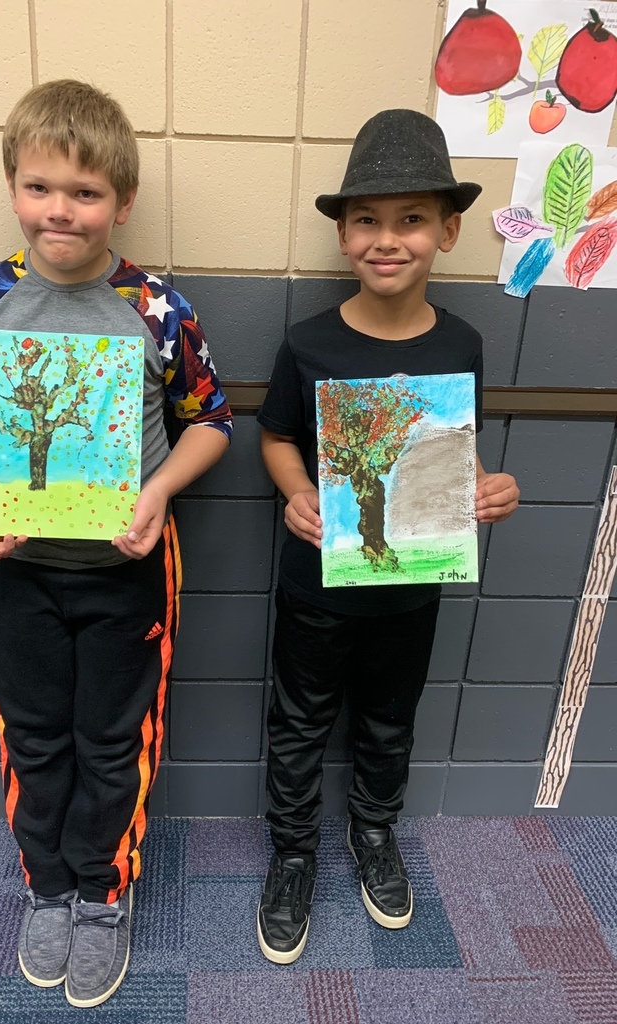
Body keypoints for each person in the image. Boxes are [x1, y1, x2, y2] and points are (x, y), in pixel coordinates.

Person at [0, 79, 232, 1006]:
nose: (61, 209)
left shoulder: (157, 309)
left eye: (86, 193)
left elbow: (210, 421)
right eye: (40, 186)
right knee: (35, 735)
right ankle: (47, 887)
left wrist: (160, 490)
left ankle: (102, 893)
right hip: (17, 569)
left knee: (113, 737)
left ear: (121, 202)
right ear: (13, 186)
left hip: (127, 570)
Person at [255, 109, 519, 964]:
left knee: (388, 719)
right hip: (315, 583)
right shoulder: (309, 343)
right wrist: (297, 494)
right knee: (299, 722)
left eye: (411, 219)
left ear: (448, 230)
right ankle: (292, 854)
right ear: (341, 235)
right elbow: (276, 436)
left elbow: (455, 457)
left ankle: (374, 834)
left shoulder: (464, 346)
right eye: (367, 219)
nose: (387, 238)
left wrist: (486, 494)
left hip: (413, 585)